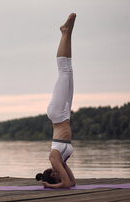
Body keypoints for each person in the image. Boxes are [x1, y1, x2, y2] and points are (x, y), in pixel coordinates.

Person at [36, 13, 77, 189]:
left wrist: (48, 185)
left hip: (57, 114)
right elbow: (71, 183)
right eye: (55, 176)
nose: (55, 172)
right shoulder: (63, 159)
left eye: (52, 173)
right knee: (68, 69)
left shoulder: (54, 157)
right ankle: (67, 34)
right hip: (65, 114)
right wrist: (58, 182)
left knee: (64, 71)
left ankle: (65, 32)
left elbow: (66, 184)